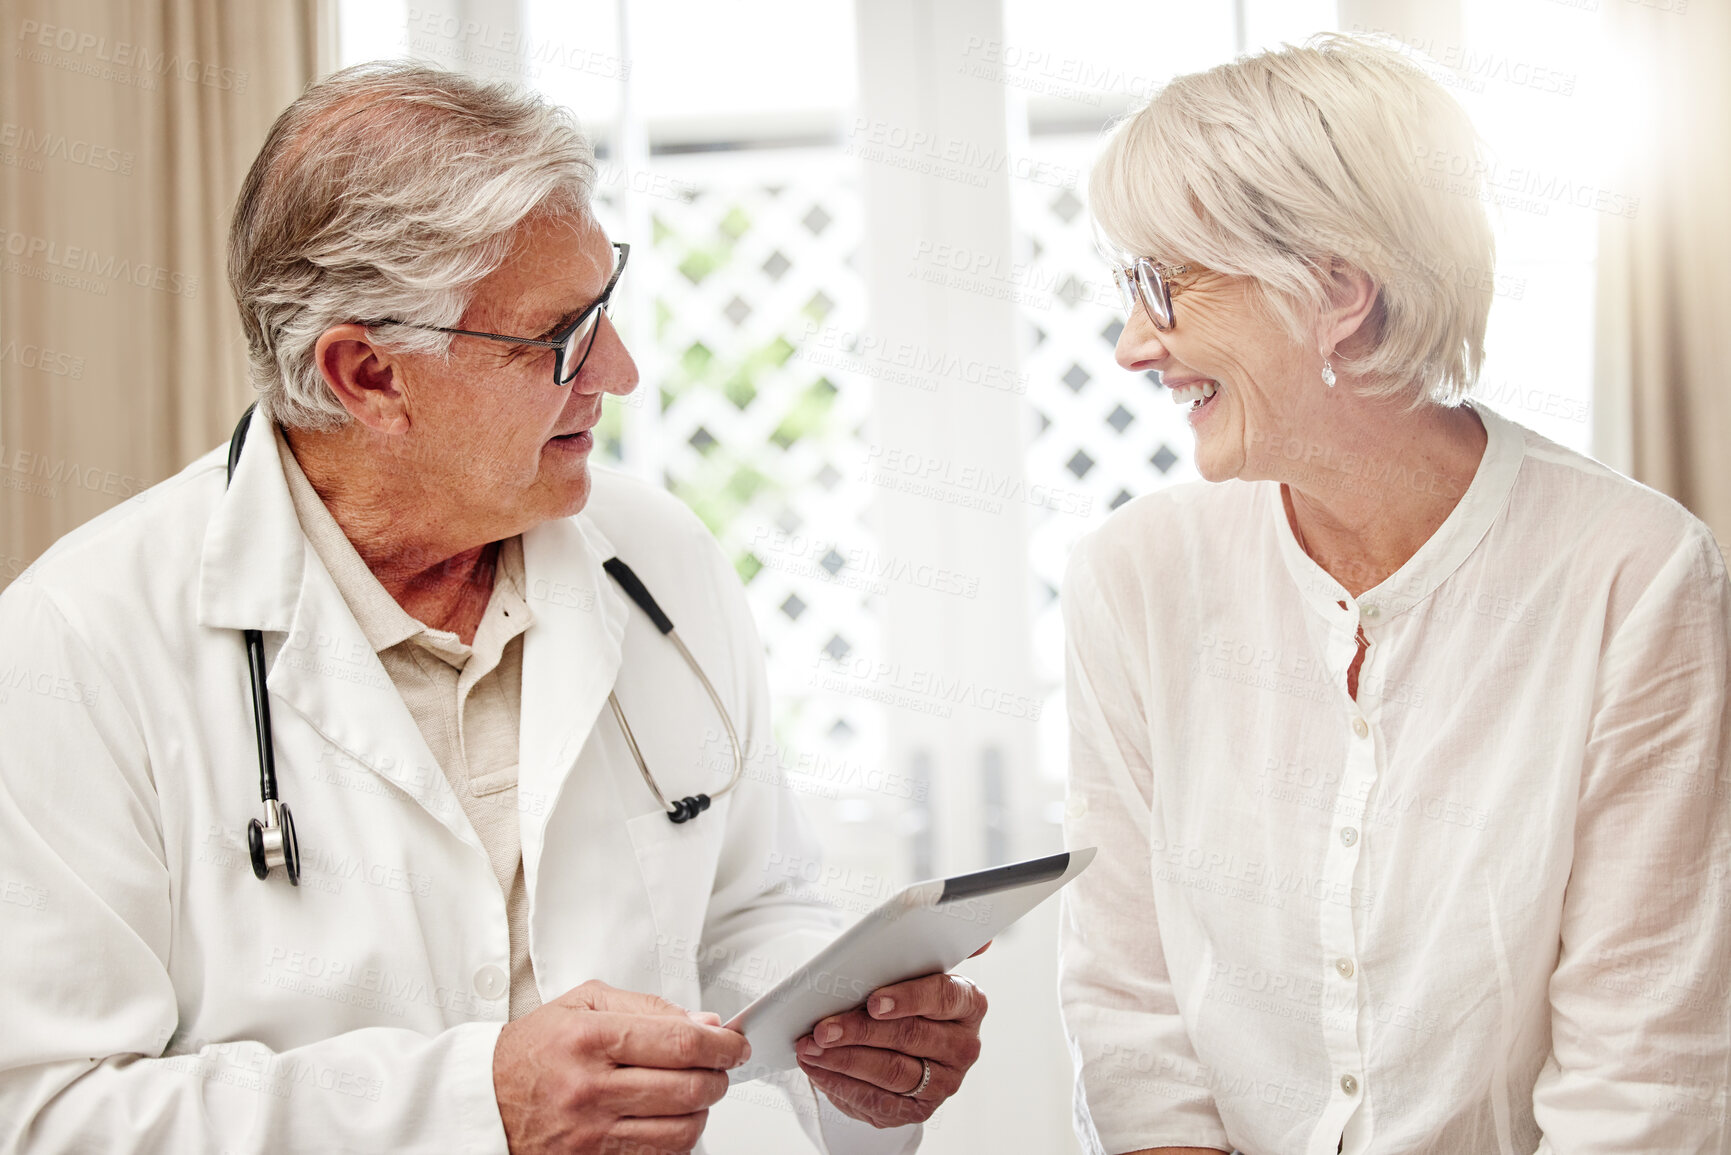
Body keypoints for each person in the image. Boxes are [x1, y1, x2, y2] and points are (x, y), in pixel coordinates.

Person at [0, 63, 986, 1154]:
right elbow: (47, 1111)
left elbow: (753, 911)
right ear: (368, 374)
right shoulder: (80, 643)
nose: (620, 371)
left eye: (605, 304)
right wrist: (475, 1107)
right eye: (560, 336)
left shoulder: (658, 560)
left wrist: (850, 1044)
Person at [1059, 33, 1730, 1155]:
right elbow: (1135, 1021)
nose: (1134, 344)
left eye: (1162, 284)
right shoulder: (1135, 578)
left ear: (1334, 292)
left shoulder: (1633, 569)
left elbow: (1643, 1076)